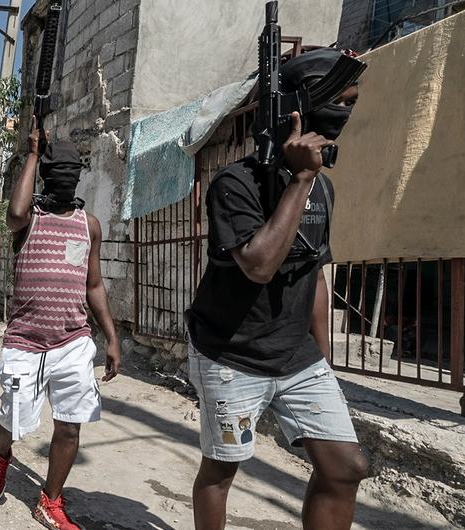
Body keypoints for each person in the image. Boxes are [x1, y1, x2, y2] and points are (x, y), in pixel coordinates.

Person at [184, 47, 368, 530]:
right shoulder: (235, 184)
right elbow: (260, 265)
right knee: (222, 470)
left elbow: (315, 272)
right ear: (297, 109)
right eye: (339, 101)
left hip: (297, 358)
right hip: (231, 357)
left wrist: (321, 359)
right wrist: (301, 178)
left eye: (353, 102)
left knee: (346, 468)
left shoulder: (322, 190)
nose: (346, 114)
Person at [0, 127, 122, 530]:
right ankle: (1, 454)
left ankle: (51, 499)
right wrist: (31, 154)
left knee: (70, 423)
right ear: (45, 173)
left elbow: (93, 285)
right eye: (56, 170)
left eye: (71, 171)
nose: (65, 178)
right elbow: (13, 214)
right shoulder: (29, 219)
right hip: (24, 342)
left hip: (73, 341)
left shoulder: (88, 225)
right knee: (13, 418)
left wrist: (111, 336)